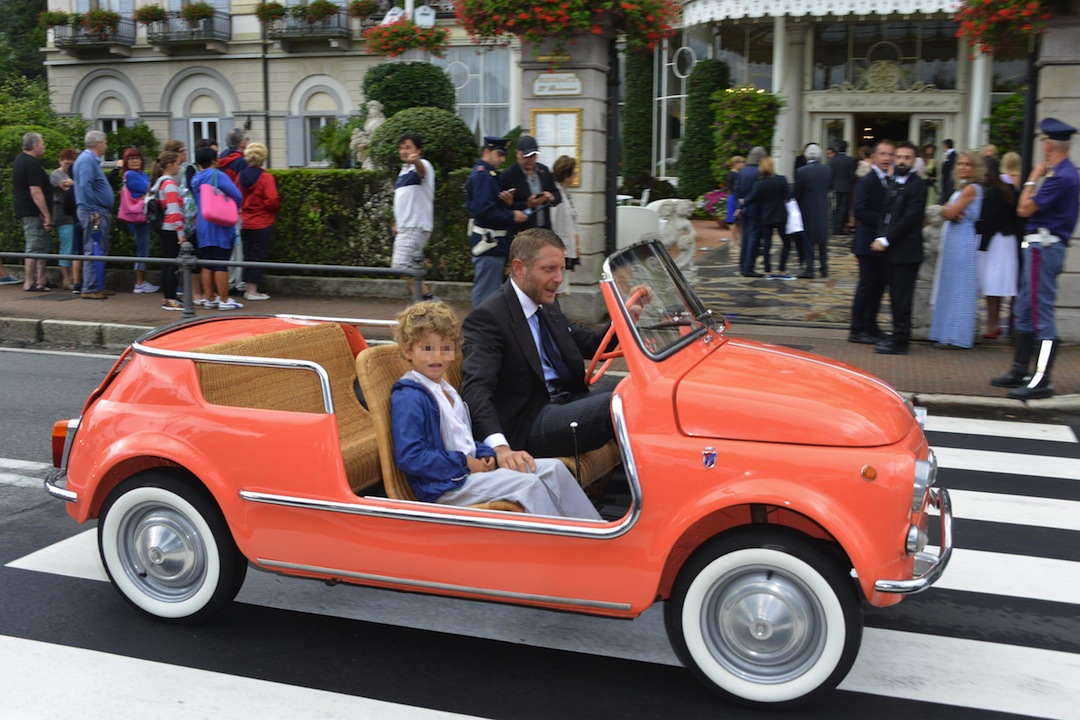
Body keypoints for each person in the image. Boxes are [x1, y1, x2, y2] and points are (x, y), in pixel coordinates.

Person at [390, 301, 601, 520]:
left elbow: (463, 439)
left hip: (468, 474)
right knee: (528, 484)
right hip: (444, 487)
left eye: (446, 348)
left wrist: (484, 453)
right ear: (407, 351)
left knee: (554, 469)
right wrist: (465, 463)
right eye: (427, 349)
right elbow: (410, 456)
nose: (438, 356)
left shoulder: (446, 390)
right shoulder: (410, 396)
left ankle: (594, 532)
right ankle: (558, 547)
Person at [461, 228, 639, 469]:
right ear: (519, 268)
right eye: (549, 269)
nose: (559, 279)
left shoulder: (546, 304)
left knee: (637, 387)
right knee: (620, 401)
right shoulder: (489, 317)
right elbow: (476, 389)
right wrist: (500, 447)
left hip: (564, 402)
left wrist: (626, 319)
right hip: (527, 424)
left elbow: (590, 344)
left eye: (561, 269)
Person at [991, 118, 1079, 399]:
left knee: (1041, 315)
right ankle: (1020, 370)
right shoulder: (1061, 174)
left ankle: (1041, 379)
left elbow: (1024, 208)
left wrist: (1031, 178)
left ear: (1048, 144)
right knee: (1026, 311)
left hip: (1044, 246)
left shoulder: (1061, 176)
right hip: (1040, 247)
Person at [871, 141, 928, 355]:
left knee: (902, 298)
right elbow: (887, 215)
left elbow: (910, 218)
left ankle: (901, 341)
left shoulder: (918, 185)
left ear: (914, 160)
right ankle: (896, 335)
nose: (902, 161)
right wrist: (880, 235)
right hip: (892, 250)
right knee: (894, 296)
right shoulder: (895, 182)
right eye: (900, 157)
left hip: (906, 251)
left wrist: (887, 240)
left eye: (907, 158)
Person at [929, 149, 985, 349]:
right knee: (950, 284)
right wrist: (949, 211)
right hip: (954, 236)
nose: (963, 167)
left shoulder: (971, 188)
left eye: (967, 164)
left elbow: (949, 211)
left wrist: (948, 210)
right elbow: (950, 211)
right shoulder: (961, 188)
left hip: (962, 239)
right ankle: (946, 333)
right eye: (960, 164)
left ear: (975, 168)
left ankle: (957, 336)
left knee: (959, 287)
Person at [465, 136, 526, 306]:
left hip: (494, 243)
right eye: (499, 154)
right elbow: (484, 211)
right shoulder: (482, 176)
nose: (502, 159)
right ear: (487, 151)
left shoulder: (488, 174)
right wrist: (512, 215)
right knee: (486, 295)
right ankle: (479, 331)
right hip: (488, 242)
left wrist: (506, 204)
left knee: (490, 293)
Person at [848, 139, 895, 344]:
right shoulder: (867, 181)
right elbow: (859, 210)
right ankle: (857, 329)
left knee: (878, 287)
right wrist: (885, 221)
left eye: (890, 154)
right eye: (883, 154)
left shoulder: (890, 180)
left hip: (882, 243)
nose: (886, 158)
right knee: (867, 286)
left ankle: (871, 325)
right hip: (867, 243)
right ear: (874, 157)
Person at [190, 146, 244, 310]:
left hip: (203, 224)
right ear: (214, 160)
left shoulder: (196, 179)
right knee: (221, 262)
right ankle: (225, 300)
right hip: (220, 223)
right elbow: (237, 195)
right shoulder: (218, 175)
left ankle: (210, 297)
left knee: (207, 263)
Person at [977, 156, 1020, 340]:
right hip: (1007, 241)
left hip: (995, 241)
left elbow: (990, 221)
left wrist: (982, 245)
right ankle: (994, 325)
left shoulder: (994, 191)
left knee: (991, 285)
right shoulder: (1008, 188)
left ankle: (990, 325)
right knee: (999, 285)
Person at [390, 132, 435, 301]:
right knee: (409, 268)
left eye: (408, 147)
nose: (404, 151)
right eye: (401, 148)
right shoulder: (403, 171)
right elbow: (404, 200)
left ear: (418, 150)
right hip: (406, 227)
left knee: (401, 265)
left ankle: (430, 302)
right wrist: (397, 223)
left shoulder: (423, 164)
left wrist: (415, 160)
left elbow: (421, 171)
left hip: (416, 225)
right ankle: (423, 304)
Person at [72, 130, 114, 300]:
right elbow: (85, 186)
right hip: (94, 211)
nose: (106, 145)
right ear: (97, 143)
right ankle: (89, 288)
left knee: (99, 249)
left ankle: (97, 285)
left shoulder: (89, 160)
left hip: (96, 209)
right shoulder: (87, 160)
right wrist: (92, 210)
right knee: (93, 249)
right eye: (105, 142)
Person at [13, 132, 54, 292]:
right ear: (35, 146)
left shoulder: (21, 160)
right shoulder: (31, 163)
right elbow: (35, 191)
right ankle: (30, 282)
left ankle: (41, 280)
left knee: (41, 245)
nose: (44, 146)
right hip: (32, 211)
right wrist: (46, 214)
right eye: (42, 143)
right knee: (34, 245)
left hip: (28, 210)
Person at [238, 141, 279, 302]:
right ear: (262, 159)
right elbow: (272, 199)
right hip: (262, 221)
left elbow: (236, 195)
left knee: (247, 254)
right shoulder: (266, 177)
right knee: (257, 255)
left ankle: (247, 287)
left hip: (245, 221)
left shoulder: (241, 176)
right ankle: (253, 290)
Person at [502, 134, 561, 239]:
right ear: (517, 153)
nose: (530, 159)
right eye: (526, 156)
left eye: (533, 155)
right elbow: (505, 207)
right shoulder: (508, 175)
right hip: (522, 234)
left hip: (544, 231)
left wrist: (551, 197)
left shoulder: (544, 171)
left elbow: (557, 194)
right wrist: (527, 204)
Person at [742, 156, 792, 277]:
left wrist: (741, 203)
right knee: (787, 243)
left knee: (767, 245)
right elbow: (788, 196)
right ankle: (782, 269)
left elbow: (752, 198)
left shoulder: (759, 184)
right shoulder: (781, 179)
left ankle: (768, 270)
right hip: (780, 214)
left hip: (766, 215)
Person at [119, 147, 159, 294]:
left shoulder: (140, 174)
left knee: (143, 248)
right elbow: (149, 189)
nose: (135, 161)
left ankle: (141, 281)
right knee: (142, 249)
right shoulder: (131, 175)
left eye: (137, 158)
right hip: (139, 216)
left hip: (141, 215)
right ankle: (140, 283)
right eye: (131, 158)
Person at [150, 150, 187, 311]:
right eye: (178, 164)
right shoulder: (170, 184)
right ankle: (171, 298)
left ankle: (168, 297)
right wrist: (181, 233)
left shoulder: (159, 183)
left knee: (167, 263)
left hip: (164, 227)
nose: (180, 167)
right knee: (172, 265)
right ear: (170, 165)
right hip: (171, 228)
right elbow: (173, 211)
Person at [794, 143, 831, 279]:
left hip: (807, 207)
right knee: (822, 239)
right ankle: (824, 268)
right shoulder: (827, 170)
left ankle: (810, 268)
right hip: (822, 205)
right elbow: (829, 186)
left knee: (808, 239)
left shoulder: (801, 171)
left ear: (806, 155)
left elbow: (797, 192)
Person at [219, 128, 248, 293]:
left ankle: (228, 282)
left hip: (221, 207)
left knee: (227, 246)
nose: (248, 139)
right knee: (238, 247)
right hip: (235, 208)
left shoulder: (222, 157)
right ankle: (238, 283)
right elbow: (240, 186)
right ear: (240, 142)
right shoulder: (241, 162)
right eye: (245, 138)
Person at [549, 155, 580, 295]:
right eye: (573, 173)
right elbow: (554, 224)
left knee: (561, 287)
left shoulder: (566, 194)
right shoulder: (557, 196)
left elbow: (572, 223)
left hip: (568, 248)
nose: (574, 176)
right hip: (560, 249)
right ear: (566, 175)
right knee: (555, 288)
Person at [50, 148, 79, 290]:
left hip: (74, 215)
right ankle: (66, 279)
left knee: (75, 248)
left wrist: (72, 182)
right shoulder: (56, 174)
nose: (69, 166)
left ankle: (74, 278)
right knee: (66, 247)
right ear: (60, 161)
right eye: (66, 163)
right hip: (62, 216)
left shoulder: (73, 175)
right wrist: (73, 183)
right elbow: (65, 186)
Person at [734, 146, 765, 276]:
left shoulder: (742, 171)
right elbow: (759, 191)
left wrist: (740, 206)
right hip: (755, 208)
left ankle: (742, 266)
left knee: (745, 237)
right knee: (753, 238)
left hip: (744, 208)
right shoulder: (760, 172)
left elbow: (737, 190)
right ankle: (749, 267)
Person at [830, 139, 857, 235]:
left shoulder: (834, 160)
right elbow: (852, 175)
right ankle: (839, 227)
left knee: (837, 207)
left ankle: (835, 226)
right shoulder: (850, 160)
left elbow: (831, 174)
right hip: (847, 187)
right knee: (844, 208)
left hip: (836, 186)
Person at [724, 155, 745, 248]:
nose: (743, 165)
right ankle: (734, 241)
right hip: (734, 198)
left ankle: (739, 240)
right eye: (741, 163)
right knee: (734, 221)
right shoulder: (732, 175)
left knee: (739, 221)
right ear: (735, 164)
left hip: (734, 197)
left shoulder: (736, 174)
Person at [940, 138, 957, 203]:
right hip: (946, 181)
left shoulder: (953, 155)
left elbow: (949, 169)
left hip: (949, 182)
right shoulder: (948, 155)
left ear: (945, 145)